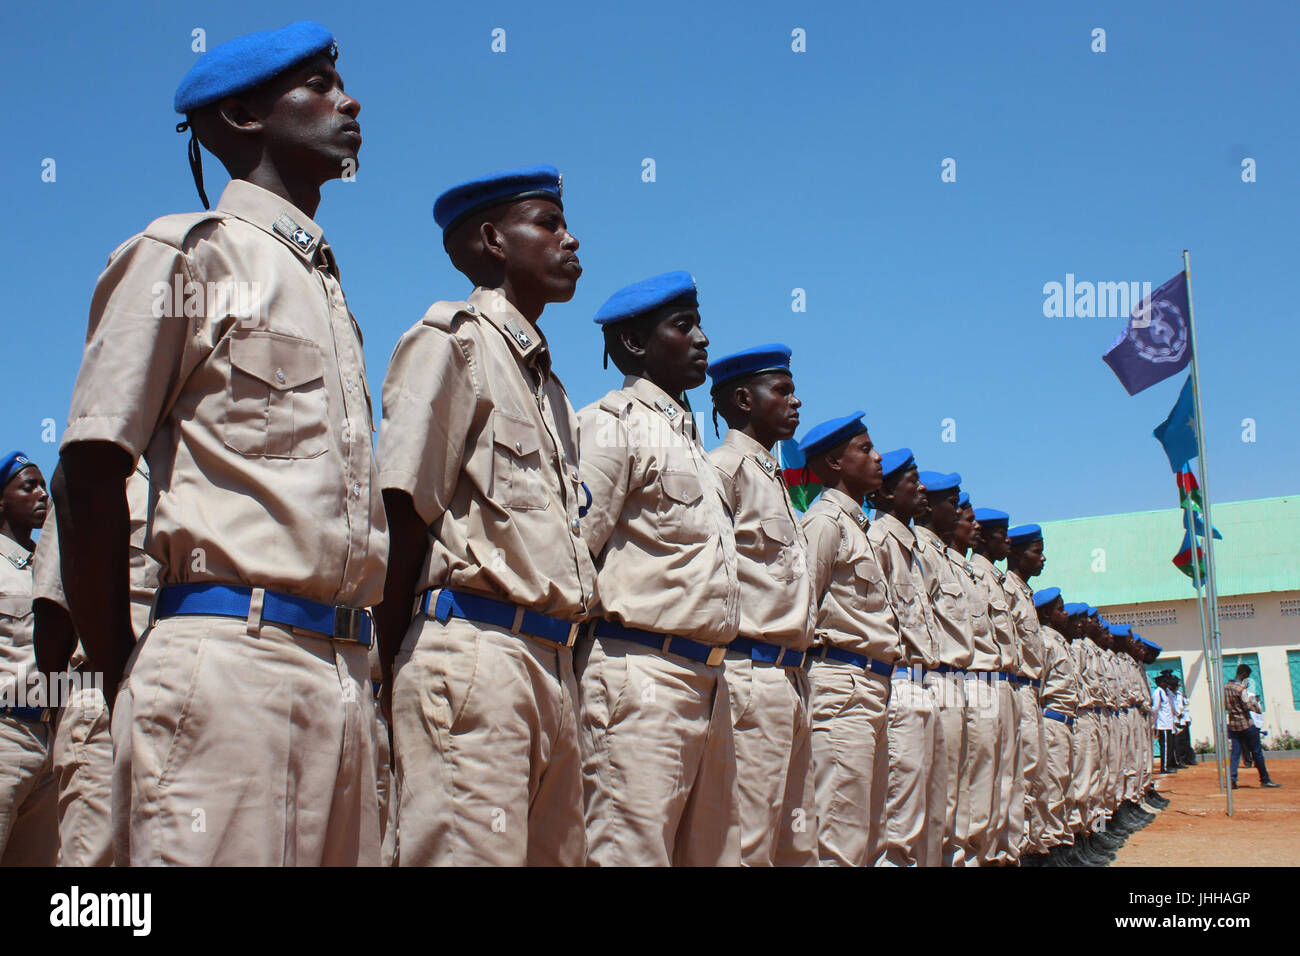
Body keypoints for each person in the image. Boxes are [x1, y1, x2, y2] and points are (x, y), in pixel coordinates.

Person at [52, 20, 388, 865]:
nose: (347, 101)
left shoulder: (327, 289)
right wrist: (123, 667)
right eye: (316, 85)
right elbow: (90, 472)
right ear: (241, 118)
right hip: (230, 663)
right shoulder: (184, 254)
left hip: (346, 675)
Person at [375, 164, 596, 867]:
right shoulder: (452, 341)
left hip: (553, 667)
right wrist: (382, 670)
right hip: (474, 654)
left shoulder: (548, 384)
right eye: (549, 224)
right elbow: (403, 511)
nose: (571, 239)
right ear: (493, 239)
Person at [577, 271, 742, 866]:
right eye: (683, 326)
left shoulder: (691, 443)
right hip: (639, 673)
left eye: (699, 323)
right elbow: (575, 553)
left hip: (709, 680)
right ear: (634, 344)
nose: (702, 338)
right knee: (631, 851)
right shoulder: (610, 424)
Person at [706, 345, 816, 866]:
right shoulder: (724, 469)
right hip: (749, 673)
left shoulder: (775, 479)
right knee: (749, 841)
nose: (796, 402)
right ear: (744, 400)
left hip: (791, 678)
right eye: (784, 391)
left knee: (794, 843)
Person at [32, 465, 158, 866]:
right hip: (102, 706)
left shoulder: (194, 474)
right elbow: (52, 616)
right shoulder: (95, 472)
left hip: (184, 704)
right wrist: (65, 711)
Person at [799, 411, 899, 866]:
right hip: (840, 686)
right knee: (839, 831)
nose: (878, 458)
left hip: (874, 687)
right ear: (835, 462)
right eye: (865, 449)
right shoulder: (824, 524)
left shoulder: (860, 528)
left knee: (869, 831)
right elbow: (802, 609)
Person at [867, 449, 946, 867]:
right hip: (897, 682)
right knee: (898, 811)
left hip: (922, 683)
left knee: (927, 805)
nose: (922, 489)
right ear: (884, 493)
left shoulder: (912, 549)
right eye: (911, 481)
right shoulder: (878, 541)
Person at [912, 471, 973, 866]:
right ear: (932, 507)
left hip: (962, 680)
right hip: (933, 678)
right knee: (937, 796)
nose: (969, 519)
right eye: (952, 503)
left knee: (961, 790)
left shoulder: (949, 560)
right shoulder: (918, 549)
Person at [0, 452, 58, 865]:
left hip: (51, 739)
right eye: (28, 486)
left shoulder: (53, 567)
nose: (42, 495)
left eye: (44, 486)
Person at [947, 497, 1004, 867]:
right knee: (961, 788)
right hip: (955, 681)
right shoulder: (944, 563)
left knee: (997, 780)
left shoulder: (969, 572)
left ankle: (994, 856)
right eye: (968, 518)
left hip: (988, 682)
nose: (977, 526)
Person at [967, 506, 1021, 865]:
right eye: (1000, 534)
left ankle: (1006, 855)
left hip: (1004, 684)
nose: (1007, 540)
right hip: (979, 683)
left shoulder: (995, 580)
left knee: (1007, 782)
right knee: (982, 784)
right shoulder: (976, 576)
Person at [1004, 523, 1049, 859]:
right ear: (1016, 554)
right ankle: (1021, 851)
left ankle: (1034, 850)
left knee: (1036, 777)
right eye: (1036, 551)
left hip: (1031, 693)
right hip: (1016, 691)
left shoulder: (1023, 593)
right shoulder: (1006, 588)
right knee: (1020, 779)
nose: (1043, 558)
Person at [1030, 589, 1078, 866]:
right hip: (1052, 721)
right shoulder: (1045, 642)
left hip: (1065, 722)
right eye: (1061, 609)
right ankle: (1050, 850)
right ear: (1047, 614)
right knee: (1052, 791)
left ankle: (1064, 846)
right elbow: (1038, 683)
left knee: (1065, 787)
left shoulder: (1060, 642)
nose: (1066, 614)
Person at [1225, 664, 1280, 788]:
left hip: (1233, 723)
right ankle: (1264, 779)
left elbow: (1225, 705)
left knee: (1235, 752)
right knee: (1256, 752)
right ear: (1243, 674)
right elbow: (1246, 705)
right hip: (1245, 723)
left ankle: (1232, 778)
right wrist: (1255, 704)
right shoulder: (1241, 689)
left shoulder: (1226, 687)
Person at [1153, 670, 1179, 773]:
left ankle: (1169, 765)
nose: (1166, 683)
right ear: (1160, 683)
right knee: (1165, 746)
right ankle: (1164, 767)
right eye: (1165, 681)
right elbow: (1155, 708)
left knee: (1169, 746)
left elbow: (1172, 707)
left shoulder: (1167, 692)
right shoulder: (1158, 692)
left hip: (1168, 723)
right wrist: (1153, 723)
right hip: (1162, 724)